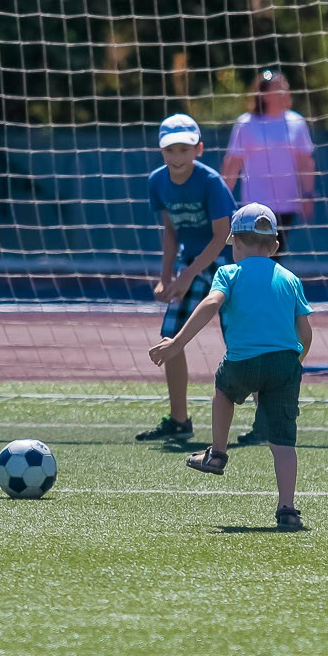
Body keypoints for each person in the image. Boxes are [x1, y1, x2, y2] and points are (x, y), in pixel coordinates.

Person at [149, 203, 313, 532]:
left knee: (223, 390)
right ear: (276, 246)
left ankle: (218, 453)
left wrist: (178, 342)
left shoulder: (229, 273)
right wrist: (294, 363)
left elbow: (211, 303)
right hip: (285, 364)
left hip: (242, 361)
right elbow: (305, 333)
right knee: (283, 443)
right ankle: (287, 509)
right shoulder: (291, 279)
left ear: (235, 244)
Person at [137, 112, 236, 443]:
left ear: (199, 149)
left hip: (223, 263)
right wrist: (165, 277)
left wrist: (186, 276)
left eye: (184, 149)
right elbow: (170, 231)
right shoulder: (157, 181)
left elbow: (222, 236)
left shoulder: (211, 183)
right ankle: (179, 420)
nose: (177, 157)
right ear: (161, 151)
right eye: (171, 150)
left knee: (243, 340)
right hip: (190, 263)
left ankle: (265, 422)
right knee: (172, 336)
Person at [221, 69, 315, 248]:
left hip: (287, 202)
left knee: (276, 251)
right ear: (264, 95)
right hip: (255, 202)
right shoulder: (247, 123)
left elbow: (306, 162)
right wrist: (222, 197)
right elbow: (233, 162)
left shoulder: (297, 122)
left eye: (285, 87)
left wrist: (308, 195)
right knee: (255, 251)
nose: (284, 91)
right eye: (278, 87)